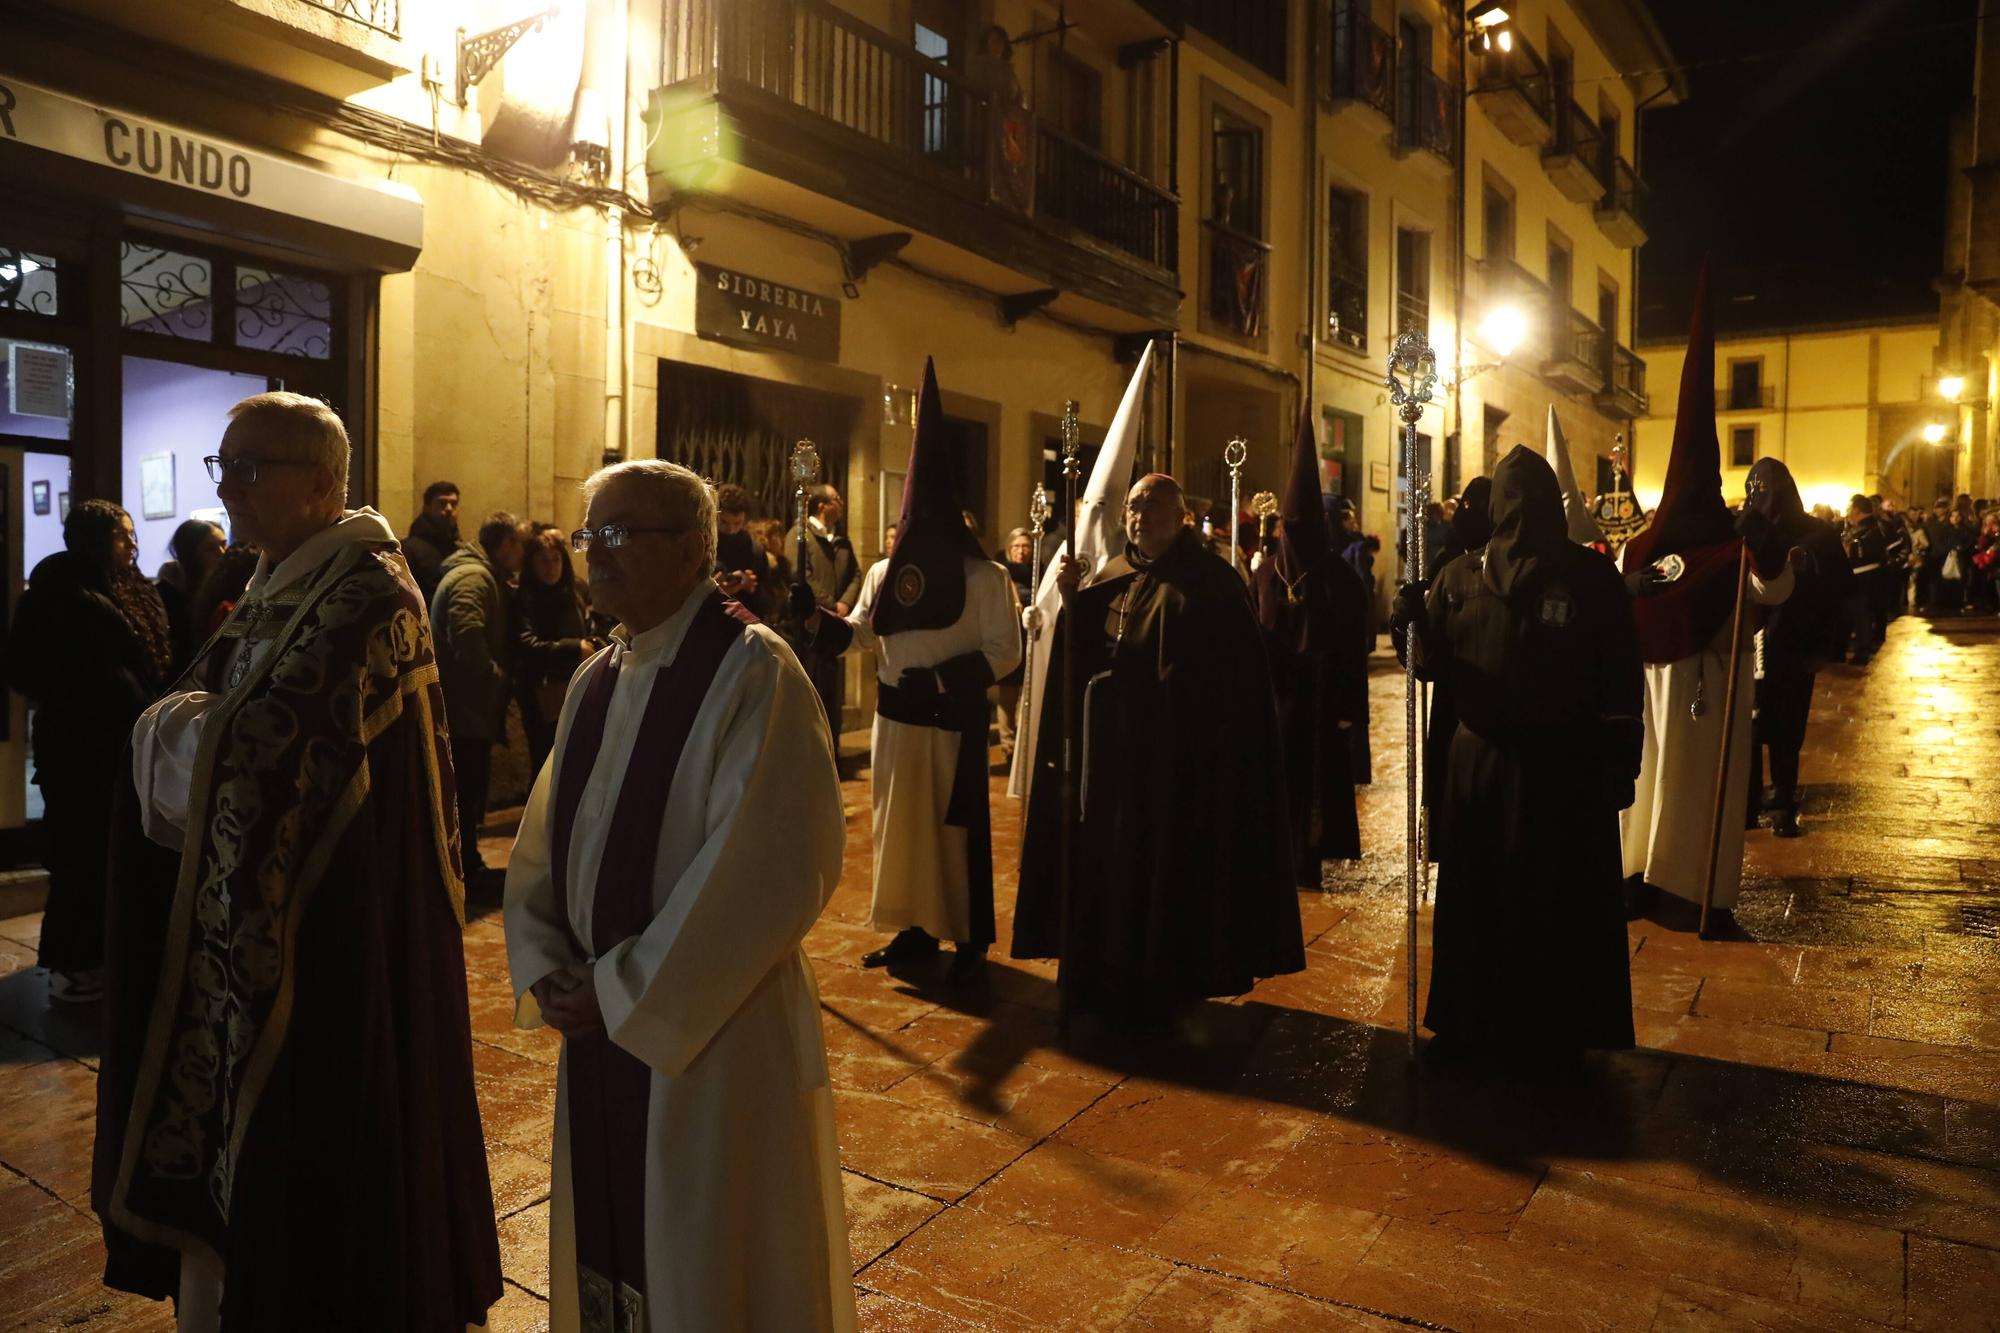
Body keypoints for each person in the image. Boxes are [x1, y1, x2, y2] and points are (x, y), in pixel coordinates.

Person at [106, 391, 501, 1327]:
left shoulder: (364, 594)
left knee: (316, 1155)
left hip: (330, 933)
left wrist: (168, 734)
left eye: (249, 468)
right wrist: (177, 728)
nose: (228, 490)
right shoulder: (290, 576)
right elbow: (205, 705)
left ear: (322, 482)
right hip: (265, 921)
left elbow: (258, 755)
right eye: (223, 465)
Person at [504, 460, 854, 1333]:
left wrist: (621, 985)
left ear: (697, 547)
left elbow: (774, 867)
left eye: (625, 534)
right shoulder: (598, 678)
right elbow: (545, 845)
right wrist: (546, 961)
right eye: (592, 534)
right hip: (604, 1027)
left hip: (713, 1034)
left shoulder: (752, 672)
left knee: (710, 1252)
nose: (599, 555)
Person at [1012, 472, 1303, 1021]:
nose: (1138, 516)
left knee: (1172, 872)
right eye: (1132, 506)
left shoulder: (1213, 584)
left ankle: (1170, 977)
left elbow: (1233, 692)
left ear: (1181, 516)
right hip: (1119, 764)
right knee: (1119, 865)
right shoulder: (1116, 576)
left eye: (1150, 505)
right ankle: (1115, 969)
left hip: (1182, 770)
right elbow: (1091, 657)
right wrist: (1073, 603)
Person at [1394, 445, 1642, 1065]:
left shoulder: (1478, 574)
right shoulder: (1469, 576)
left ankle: (1501, 1021)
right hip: (1536, 767)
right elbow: (1432, 668)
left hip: (1524, 766)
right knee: (1523, 894)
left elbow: (1618, 676)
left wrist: (1620, 756)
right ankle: (1525, 1023)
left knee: (1511, 894)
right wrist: (1411, 622)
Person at [801, 362, 1021, 985]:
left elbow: (1006, 651)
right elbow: (865, 633)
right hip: (896, 724)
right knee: (901, 833)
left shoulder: (988, 579)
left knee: (954, 836)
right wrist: (816, 621)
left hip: (951, 724)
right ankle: (914, 928)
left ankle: (969, 934)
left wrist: (946, 679)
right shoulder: (879, 576)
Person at [1620, 266, 1795, 934]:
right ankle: (1691, 895)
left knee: (1652, 788)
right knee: (1691, 798)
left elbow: (1769, 585)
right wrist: (1768, 548)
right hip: (1707, 696)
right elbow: (1771, 591)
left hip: (1656, 692)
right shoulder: (1727, 551)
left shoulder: (1640, 547)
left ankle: (1640, 880)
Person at [4, 500, 173, 1003]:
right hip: (79, 748)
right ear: (95, 539)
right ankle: (73, 963)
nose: (132, 543)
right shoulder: (60, 593)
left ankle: (102, 954)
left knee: (109, 853)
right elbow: (27, 669)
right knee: (80, 856)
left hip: (118, 742)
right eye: (122, 535)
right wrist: (97, 692)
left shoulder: (126, 589)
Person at [1250, 413, 1367, 883]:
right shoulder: (1266, 571)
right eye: (1288, 526)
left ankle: (1311, 856)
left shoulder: (1339, 577)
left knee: (1317, 780)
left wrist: (1349, 707)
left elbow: (1354, 647)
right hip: (1279, 696)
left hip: (1321, 697)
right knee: (1280, 778)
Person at [1743, 459, 1854, 838]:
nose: (1763, 501)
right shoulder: (1744, 531)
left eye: (1769, 492)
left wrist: (1825, 647)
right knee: (1748, 728)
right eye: (1755, 492)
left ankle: (1784, 799)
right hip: (1749, 648)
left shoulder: (1816, 535)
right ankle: (1747, 801)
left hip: (1794, 647)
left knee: (1786, 727)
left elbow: (1839, 592)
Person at [434, 511, 526, 889]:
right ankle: (465, 870)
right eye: (520, 545)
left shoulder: (479, 573)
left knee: (468, 792)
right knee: (465, 792)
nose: (522, 554)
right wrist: (497, 682)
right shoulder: (474, 577)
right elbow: (467, 636)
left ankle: (467, 863)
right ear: (506, 545)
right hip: (464, 709)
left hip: (468, 707)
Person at [513, 526, 594, 779]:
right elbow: (526, 643)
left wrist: (592, 643)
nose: (551, 567)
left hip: (577, 685)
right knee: (546, 762)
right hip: (542, 691)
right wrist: (573, 648)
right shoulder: (524, 598)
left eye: (556, 559)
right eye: (544, 561)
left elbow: (598, 625)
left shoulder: (576, 591)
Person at [787, 483, 863, 736]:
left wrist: (845, 604)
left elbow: (855, 574)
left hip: (834, 627)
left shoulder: (841, 541)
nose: (841, 504)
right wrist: (830, 604)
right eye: (837, 499)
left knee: (832, 695)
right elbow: (801, 576)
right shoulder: (800, 536)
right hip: (810, 626)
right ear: (822, 506)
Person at [155, 518, 226, 664]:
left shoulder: (227, 583)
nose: (222, 553)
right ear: (191, 552)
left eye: (224, 544)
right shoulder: (168, 592)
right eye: (211, 548)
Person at [995, 527, 1035, 762]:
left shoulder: (1038, 571)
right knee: (1008, 697)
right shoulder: (1002, 574)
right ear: (1009, 549)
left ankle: (1023, 745)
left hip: (1032, 640)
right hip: (1011, 639)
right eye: (1017, 546)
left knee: (1026, 696)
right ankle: (1009, 746)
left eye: (1026, 546)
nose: (1021, 551)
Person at [714, 482, 777, 622]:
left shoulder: (754, 550)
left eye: (737, 523)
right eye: (724, 522)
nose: (731, 530)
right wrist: (714, 589)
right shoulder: (704, 546)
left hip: (745, 626)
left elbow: (769, 601)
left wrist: (751, 587)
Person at [1841, 495, 1888, 663]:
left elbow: (1861, 551)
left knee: (1862, 616)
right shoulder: (1861, 527)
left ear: (1857, 510)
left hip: (1864, 578)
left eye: (1850, 508)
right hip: (1858, 578)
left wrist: (1849, 549)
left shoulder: (1872, 529)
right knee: (1854, 615)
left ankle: (1862, 652)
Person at [403, 479, 460, 602]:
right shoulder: (409, 550)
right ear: (426, 507)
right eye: (442, 503)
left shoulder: (457, 549)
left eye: (454, 504)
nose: (449, 509)